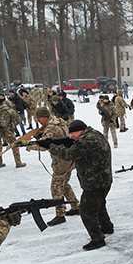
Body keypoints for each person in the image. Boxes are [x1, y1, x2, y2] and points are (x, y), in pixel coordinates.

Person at [46, 120, 113, 250]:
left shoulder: (86, 140)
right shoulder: (95, 134)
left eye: (73, 134)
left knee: (86, 211)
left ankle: (97, 239)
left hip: (94, 182)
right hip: (103, 180)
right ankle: (107, 227)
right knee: (98, 205)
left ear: (80, 131)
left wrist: (51, 146)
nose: (72, 137)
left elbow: (68, 155)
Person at [27, 106, 79, 226]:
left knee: (55, 187)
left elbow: (45, 146)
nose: (38, 121)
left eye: (39, 119)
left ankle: (60, 215)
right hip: (70, 157)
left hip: (61, 160)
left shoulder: (50, 127)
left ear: (43, 117)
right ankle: (75, 206)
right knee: (64, 184)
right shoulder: (60, 121)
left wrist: (28, 145)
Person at [0, 93, 26, 169]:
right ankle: (18, 162)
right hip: (6, 130)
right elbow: (18, 120)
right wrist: (12, 124)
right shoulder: (10, 110)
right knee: (14, 145)